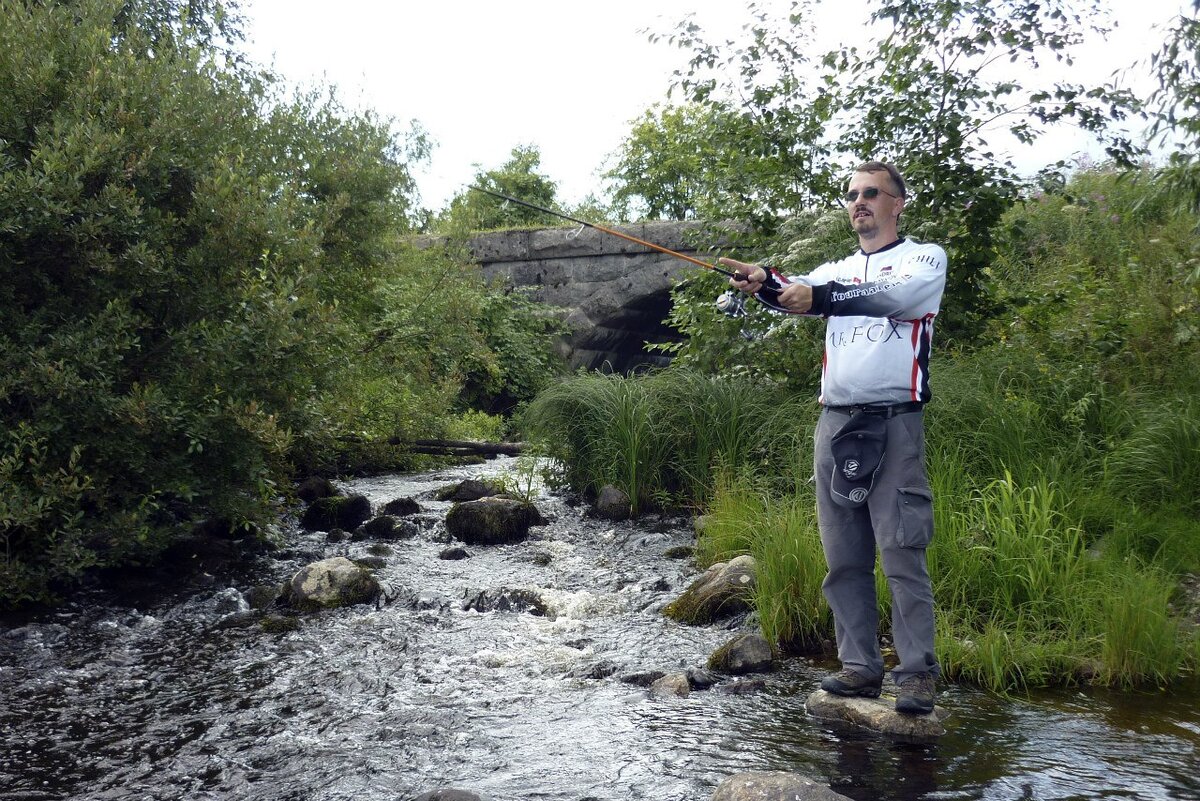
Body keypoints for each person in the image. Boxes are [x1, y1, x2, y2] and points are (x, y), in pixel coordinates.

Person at [719, 160, 946, 715]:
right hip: (835, 423)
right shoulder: (837, 267)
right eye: (852, 195)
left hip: (895, 421)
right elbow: (801, 292)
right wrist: (763, 283)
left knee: (900, 550)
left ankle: (916, 673)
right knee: (843, 554)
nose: (860, 202)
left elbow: (893, 298)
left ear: (897, 204)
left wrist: (815, 297)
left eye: (872, 193)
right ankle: (861, 667)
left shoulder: (925, 258)